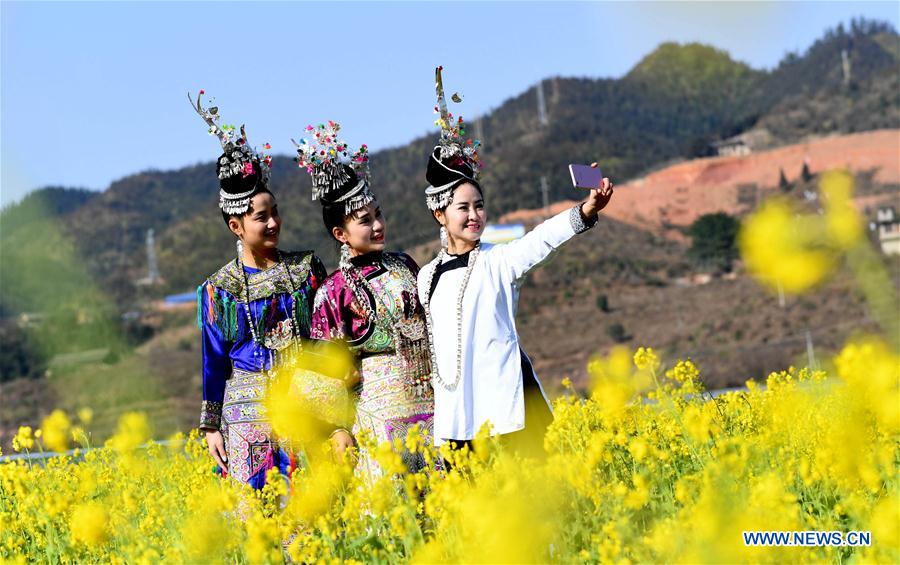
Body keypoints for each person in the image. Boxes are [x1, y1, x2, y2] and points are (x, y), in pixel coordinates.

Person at [417, 68, 614, 456]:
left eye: (479, 206)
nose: (474, 215)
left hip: (508, 403)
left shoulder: (499, 260)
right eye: (463, 208)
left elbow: (540, 240)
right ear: (440, 214)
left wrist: (586, 211)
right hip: (458, 410)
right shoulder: (427, 277)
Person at [189, 91, 333, 489]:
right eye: (260, 217)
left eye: (275, 213)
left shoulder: (306, 269)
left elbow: (322, 339)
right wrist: (211, 427)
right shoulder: (218, 290)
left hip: (303, 404)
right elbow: (213, 361)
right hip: (246, 413)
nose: (273, 223)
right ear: (236, 226)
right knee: (258, 521)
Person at [298, 122, 434, 484]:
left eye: (378, 214)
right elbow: (323, 370)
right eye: (364, 220)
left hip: (429, 400)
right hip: (378, 408)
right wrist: (337, 429)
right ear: (340, 234)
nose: (377, 225)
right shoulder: (334, 290)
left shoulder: (404, 264)